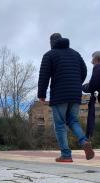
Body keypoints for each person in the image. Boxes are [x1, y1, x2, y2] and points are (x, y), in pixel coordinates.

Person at [38, 33, 95, 162]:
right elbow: (84, 70)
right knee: (73, 120)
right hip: (75, 94)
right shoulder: (75, 54)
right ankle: (84, 141)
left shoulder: (49, 55)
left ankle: (66, 155)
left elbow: (44, 76)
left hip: (59, 94)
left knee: (59, 125)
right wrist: (75, 84)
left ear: (51, 43)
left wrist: (41, 94)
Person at [82, 51, 100, 138]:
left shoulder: (97, 67)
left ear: (96, 59)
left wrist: (83, 87)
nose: (91, 62)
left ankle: (88, 137)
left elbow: (92, 86)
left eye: (92, 59)